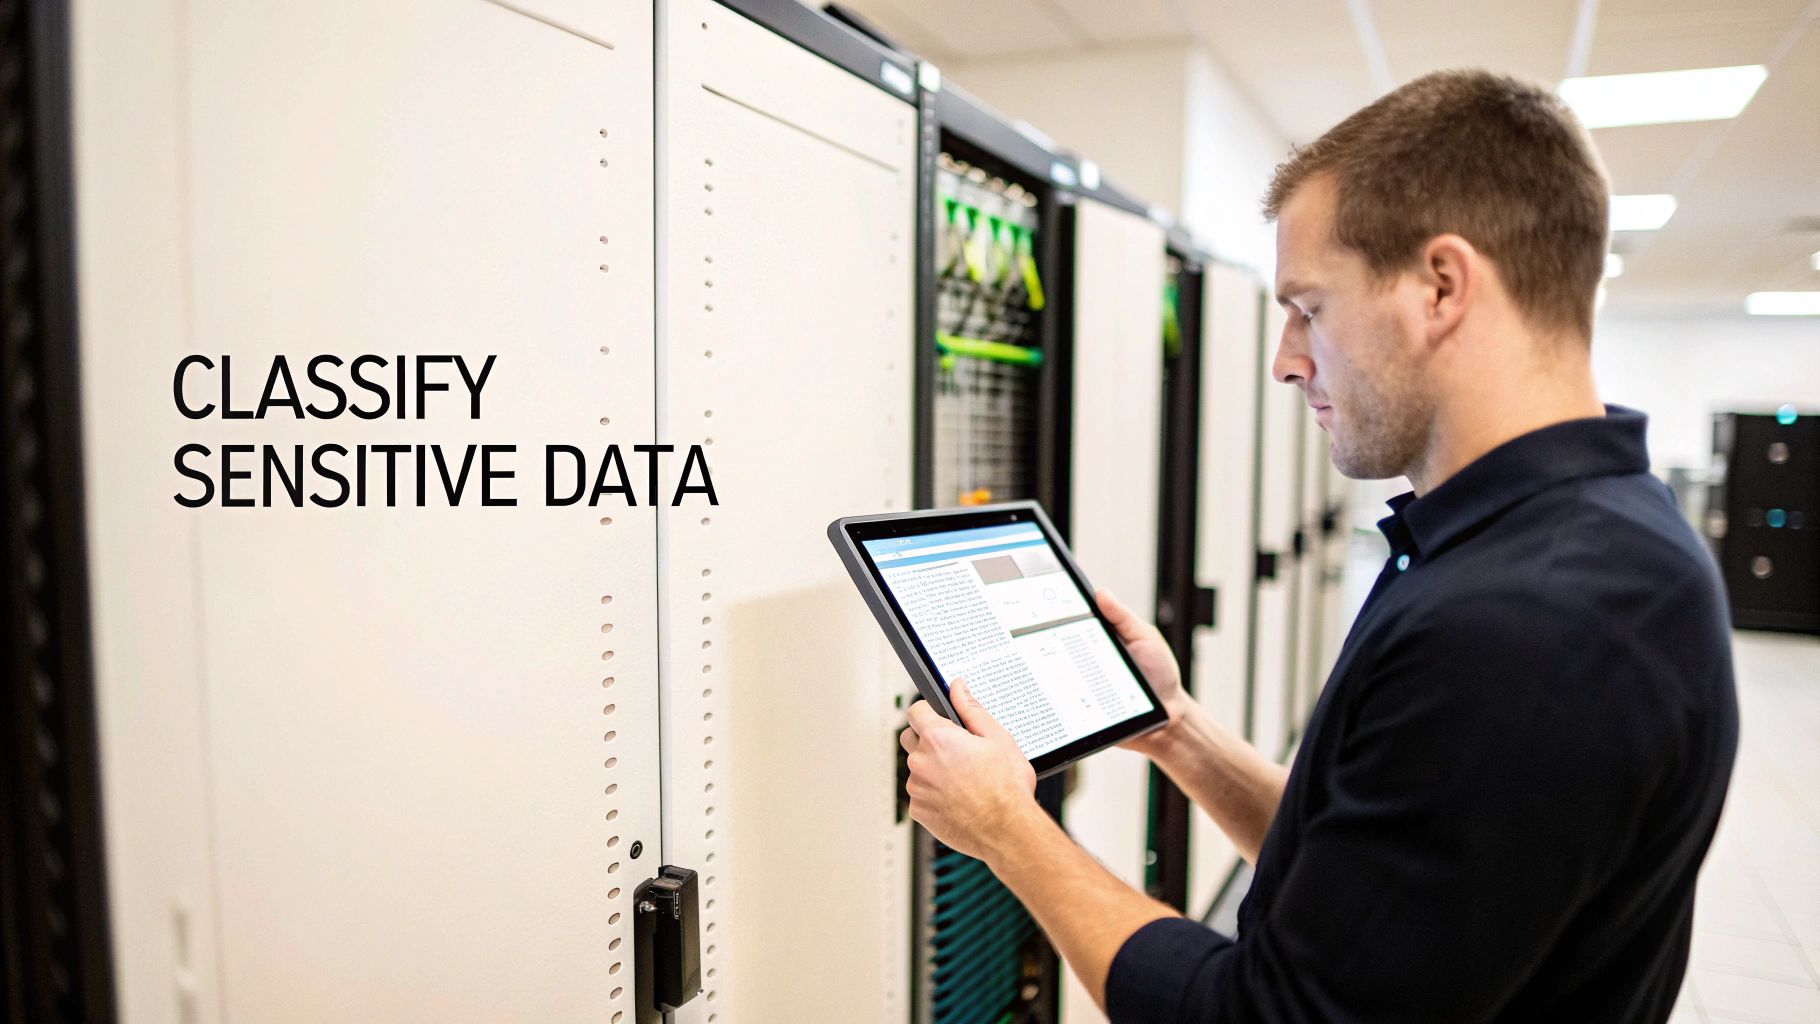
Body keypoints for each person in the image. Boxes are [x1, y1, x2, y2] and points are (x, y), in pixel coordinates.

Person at [898, 69, 1738, 1022]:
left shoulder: (1531, 623)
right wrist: (1175, 728)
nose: (1287, 358)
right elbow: (1372, 886)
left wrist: (1010, 828)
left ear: (1441, 287)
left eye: (1311, 308)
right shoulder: (1574, 539)